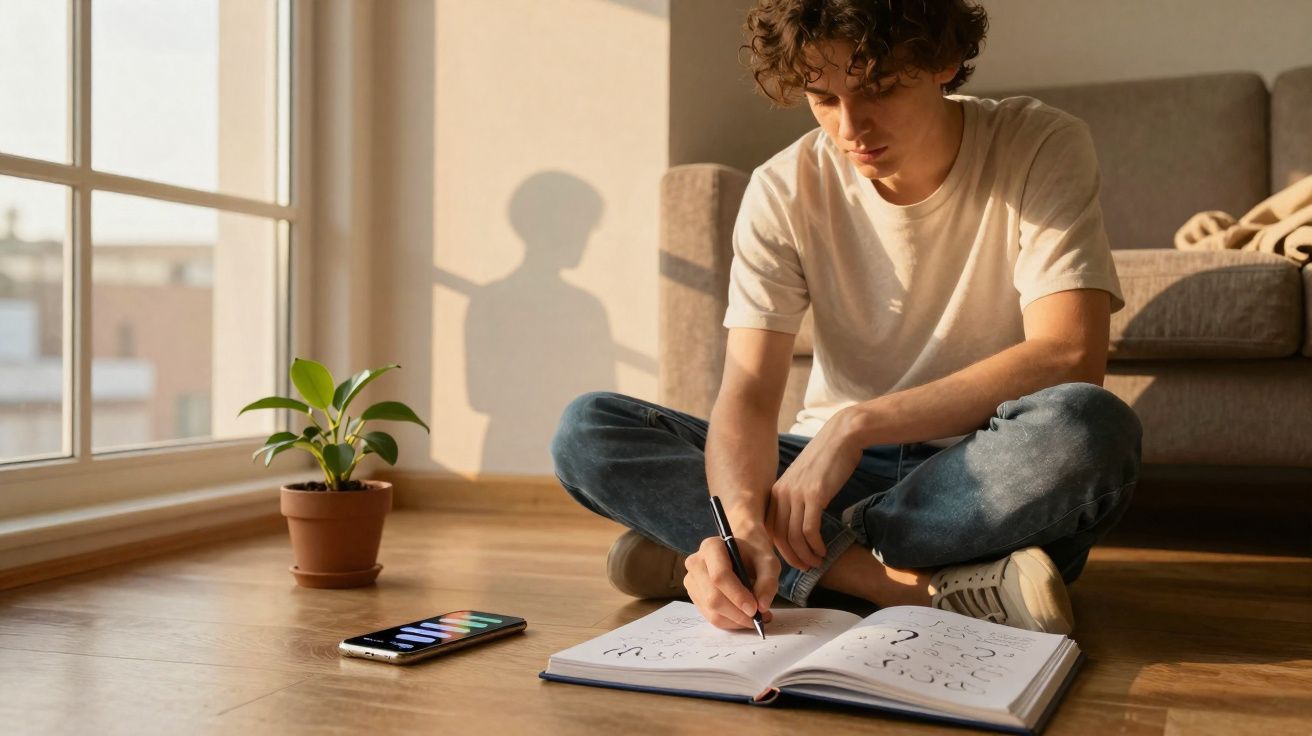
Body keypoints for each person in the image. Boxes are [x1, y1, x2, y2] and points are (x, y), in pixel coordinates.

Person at [550, 0, 1142, 636]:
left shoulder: (1039, 142)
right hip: (819, 477)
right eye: (823, 98)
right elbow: (748, 391)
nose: (851, 127)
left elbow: (1069, 354)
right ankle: (894, 584)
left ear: (944, 61)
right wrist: (744, 522)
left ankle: (748, 561)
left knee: (1089, 428)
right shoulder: (783, 187)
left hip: (974, 468)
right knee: (588, 430)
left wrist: (856, 425)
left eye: (878, 89)